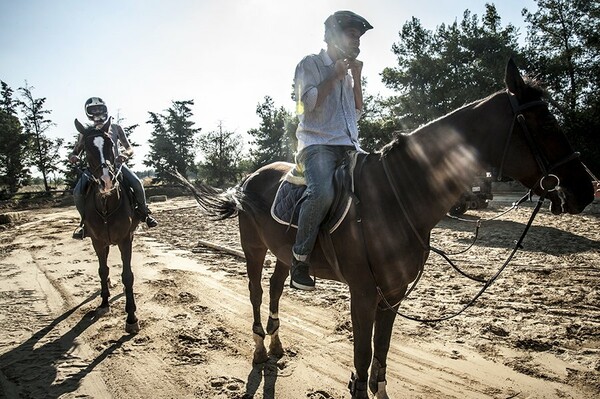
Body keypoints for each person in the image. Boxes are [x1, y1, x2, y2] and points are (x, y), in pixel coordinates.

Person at [290, 11, 373, 290]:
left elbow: (357, 113)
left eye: (359, 38)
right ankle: (300, 259)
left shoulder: (348, 75)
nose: (357, 43)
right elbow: (305, 104)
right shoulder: (310, 64)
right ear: (334, 36)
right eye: (352, 36)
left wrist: (356, 78)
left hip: (350, 146)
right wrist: (334, 76)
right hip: (318, 145)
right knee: (323, 192)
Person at [68, 97, 158, 239]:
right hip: (94, 169)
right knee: (77, 192)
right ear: (88, 112)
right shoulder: (84, 132)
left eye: (99, 108)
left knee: (137, 183)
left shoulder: (116, 128)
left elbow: (129, 147)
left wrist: (124, 155)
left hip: (116, 166)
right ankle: (84, 223)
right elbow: (75, 151)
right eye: (93, 109)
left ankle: (144, 213)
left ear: (105, 109)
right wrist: (73, 156)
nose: (97, 112)